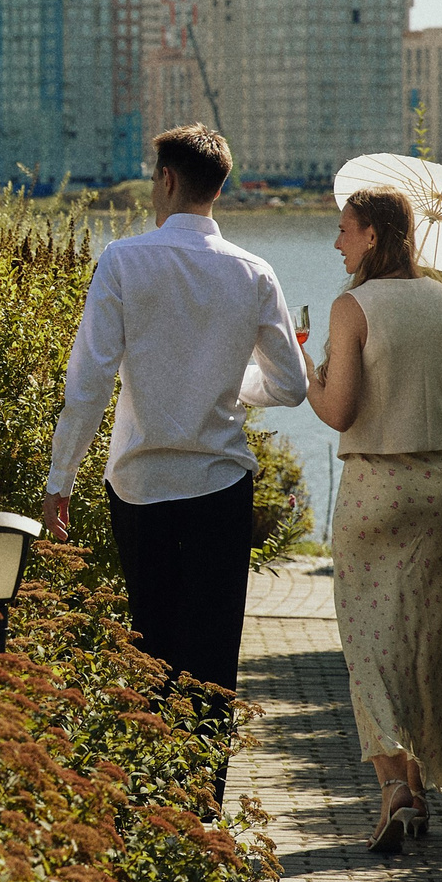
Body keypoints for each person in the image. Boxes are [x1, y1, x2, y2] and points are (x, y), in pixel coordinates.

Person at [42, 125, 310, 801]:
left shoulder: (124, 261)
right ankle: (203, 812)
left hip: (140, 485)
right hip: (221, 484)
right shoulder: (256, 272)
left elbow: (89, 384)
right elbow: (292, 384)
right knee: (213, 656)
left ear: (166, 181)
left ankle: (149, 801)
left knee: (150, 645)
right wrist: (228, 382)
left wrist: (60, 479)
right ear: (218, 187)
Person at [306, 185, 442, 853]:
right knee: (426, 642)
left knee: (369, 644)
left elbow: (340, 409)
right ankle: (419, 783)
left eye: (344, 229)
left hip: (376, 487)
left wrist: (308, 370)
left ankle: (394, 789)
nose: (337, 241)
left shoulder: (352, 306)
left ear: (373, 234)